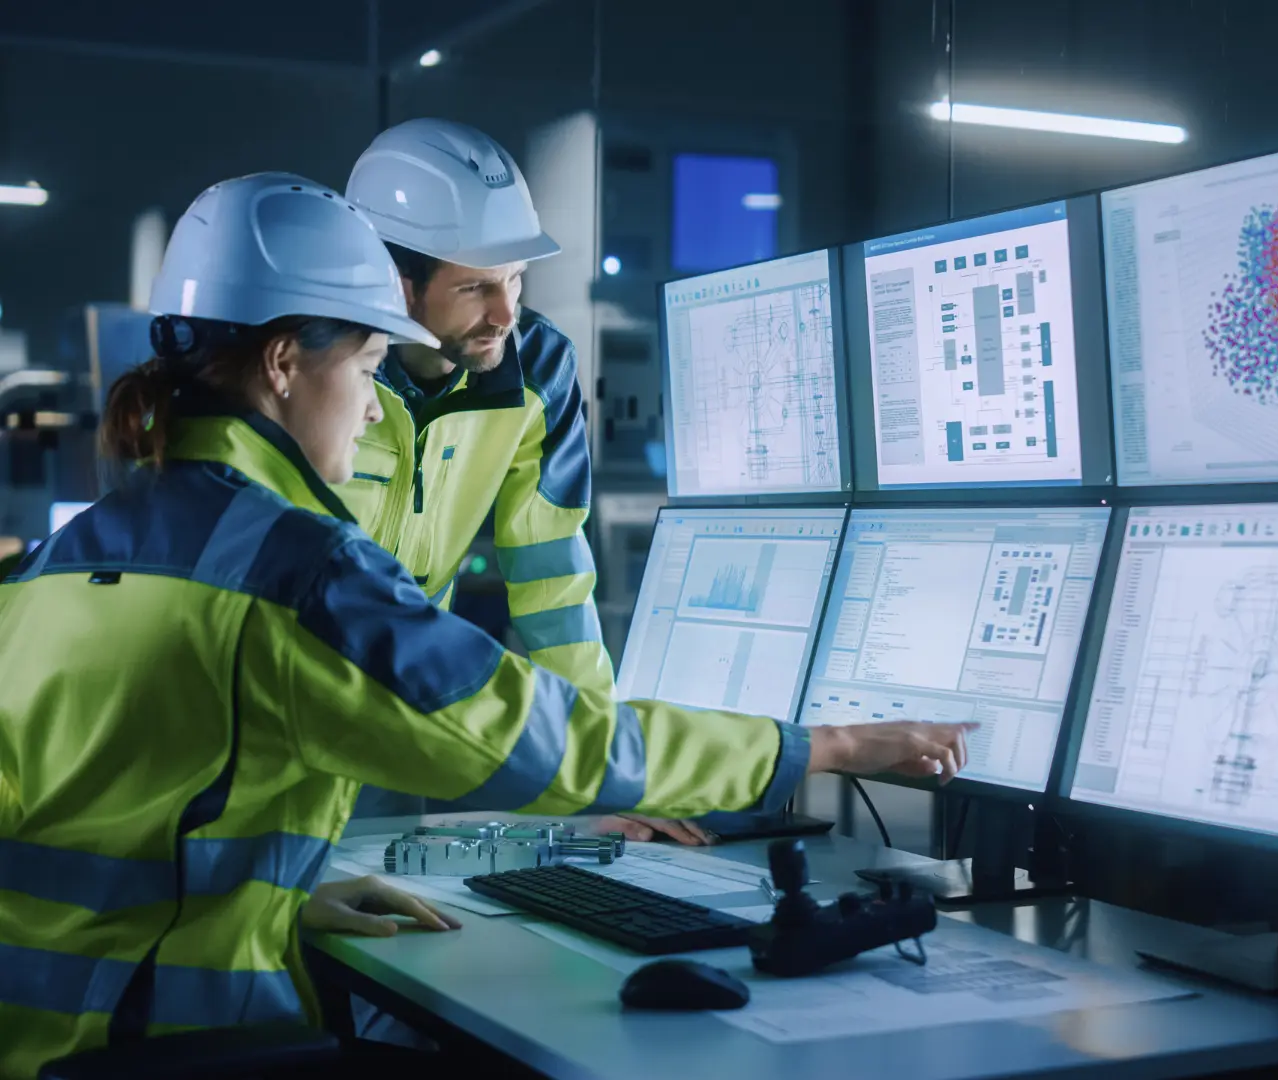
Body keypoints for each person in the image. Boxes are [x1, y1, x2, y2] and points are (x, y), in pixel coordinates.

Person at [0, 172, 972, 1079]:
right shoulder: (290, 571)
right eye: (371, 364)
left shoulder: (65, 560)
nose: (374, 412)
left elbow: (101, 822)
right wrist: (825, 745)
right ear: (287, 363)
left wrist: (280, 900)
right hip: (164, 1038)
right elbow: (530, 735)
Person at [341, 119, 699, 843]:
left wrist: (599, 774)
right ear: (394, 284)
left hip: (389, 726)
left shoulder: (537, 369)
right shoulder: (323, 370)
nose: (506, 314)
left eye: (515, 280)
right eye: (475, 287)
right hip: (273, 713)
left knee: (369, 917)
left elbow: (552, 583)